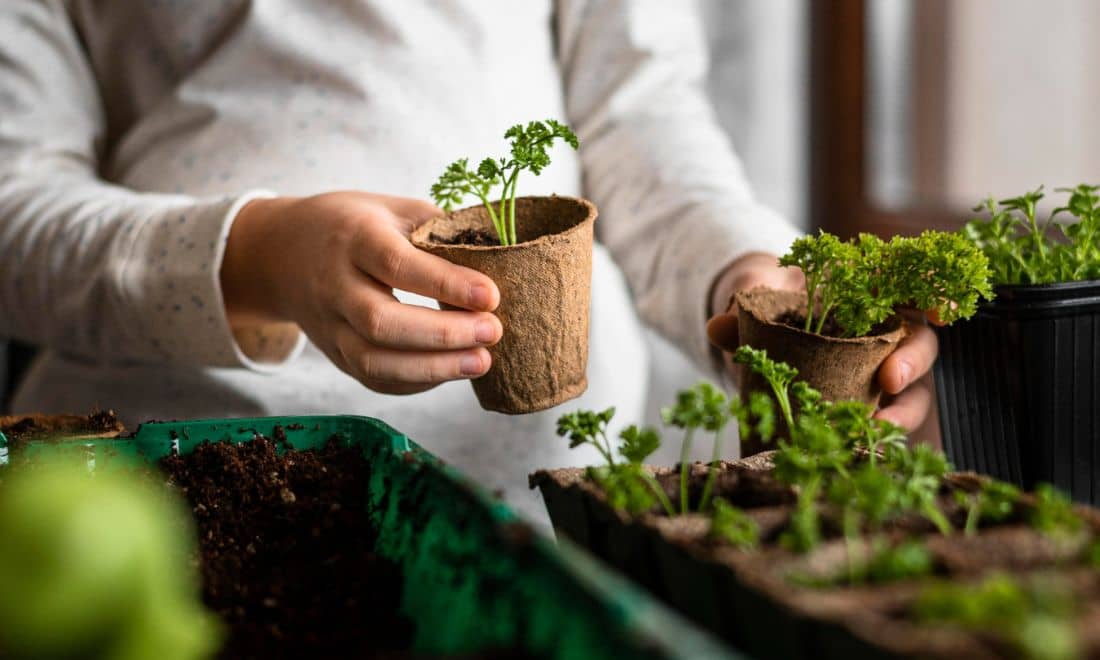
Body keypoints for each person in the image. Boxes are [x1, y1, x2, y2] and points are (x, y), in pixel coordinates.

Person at [0, 1, 936, 523]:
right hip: (166, 490)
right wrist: (259, 256)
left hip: (554, 498)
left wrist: (750, 281)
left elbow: (641, 120)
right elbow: (15, 209)